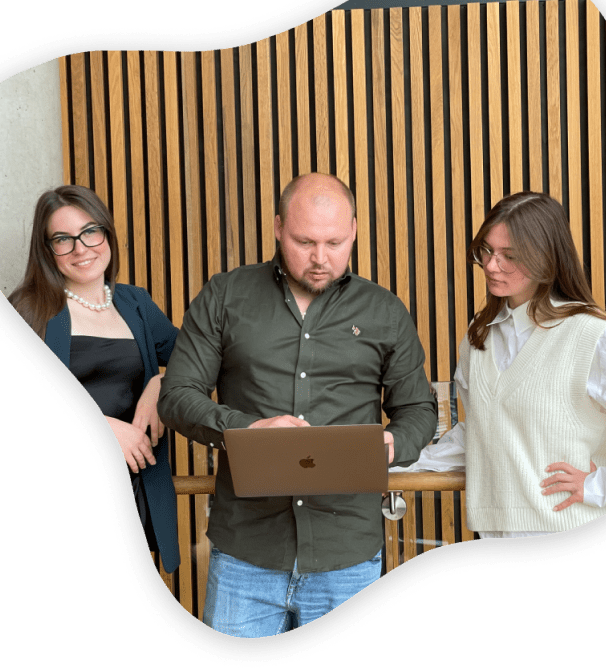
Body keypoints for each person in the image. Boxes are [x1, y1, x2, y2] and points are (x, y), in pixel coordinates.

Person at [158, 172, 437, 636]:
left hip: (347, 557)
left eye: (335, 242)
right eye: (305, 242)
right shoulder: (225, 296)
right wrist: (246, 431)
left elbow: (419, 411)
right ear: (277, 227)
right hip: (246, 554)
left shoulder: (385, 311)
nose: (320, 258)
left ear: (354, 231)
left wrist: (388, 445)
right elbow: (177, 395)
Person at [393, 191, 606, 539]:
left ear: (546, 258)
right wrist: (398, 465)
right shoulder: (479, 336)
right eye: (486, 250)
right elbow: (480, 432)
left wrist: (602, 485)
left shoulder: (591, 336)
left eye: (509, 256)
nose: (491, 266)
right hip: (495, 535)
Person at [8, 185, 180, 572]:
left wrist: (160, 384)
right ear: (46, 249)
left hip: (134, 490)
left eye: (90, 232)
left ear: (106, 233)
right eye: (63, 239)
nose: (81, 248)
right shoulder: (29, 308)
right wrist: (99, 428)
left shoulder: (136, 303)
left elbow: (197, 358)